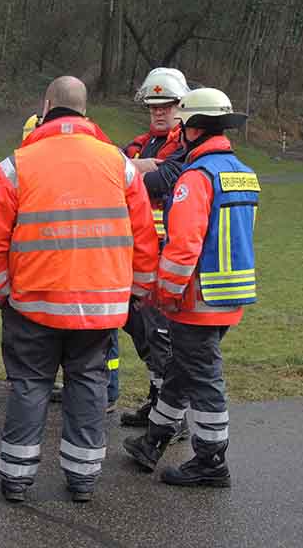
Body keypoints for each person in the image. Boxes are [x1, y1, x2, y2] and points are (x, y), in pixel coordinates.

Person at [0, 76, 159, 503]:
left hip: (32, 303)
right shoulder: (120, 165)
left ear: (46, 107)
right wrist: (135, 291)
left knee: (29, 385)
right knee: (89, 383)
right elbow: (144, 237)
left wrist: (1, 293)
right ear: (85, 111)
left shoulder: (17, 165)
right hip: (100, 306)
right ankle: (83, 478)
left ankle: (16, 479)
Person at [123, 88, 259, 488]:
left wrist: (163, 294)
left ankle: (211, 461)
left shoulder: (195, 178)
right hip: (230, 294)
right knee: (182, 371)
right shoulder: (242, 173)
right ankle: (152, 442)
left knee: (204, 379)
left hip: (196, 299)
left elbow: (182, 248)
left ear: (193, 129)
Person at [119, 68, 191, 432]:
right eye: (153, 106)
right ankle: (158, 401)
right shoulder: (142, 144)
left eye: (167, 106)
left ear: (182, 106)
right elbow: (109, 170)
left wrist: (132, 171)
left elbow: (164, 180)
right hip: (138, 254)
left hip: (167, 257)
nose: (159, 112)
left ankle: (172, 417)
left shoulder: (186, 146)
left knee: (161, 335)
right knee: (141, 330)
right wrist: (141, 167)